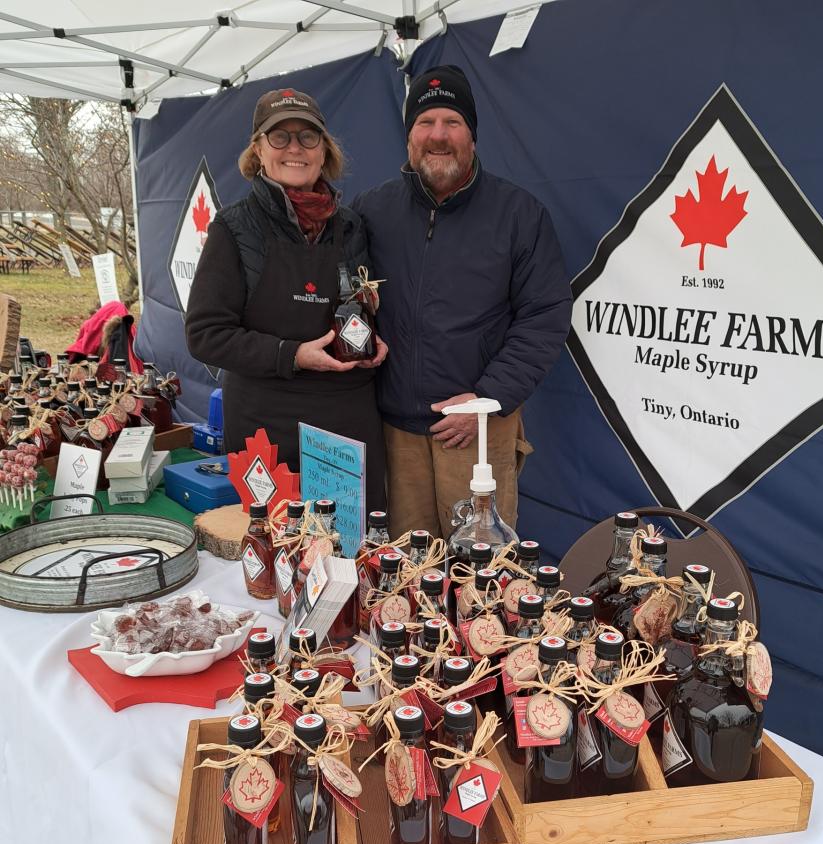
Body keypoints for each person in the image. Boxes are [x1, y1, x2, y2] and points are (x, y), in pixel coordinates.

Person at [353, 65, 571, 537]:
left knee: (479, 575)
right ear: (409, 136)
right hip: (398, 432)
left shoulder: (519, 215)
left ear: (471, 135)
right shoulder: (371, 210)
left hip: (479, 428)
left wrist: (487, 399)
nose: (438, 136)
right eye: (425, 123)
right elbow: (347, 297)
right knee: (410, 572)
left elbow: (544, 315)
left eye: (452, 122)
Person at [185, 88, 388, 509]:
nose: (294, 148)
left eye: (307, 137)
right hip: (267, 427)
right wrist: (291, 354)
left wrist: (374, 340)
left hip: (346, 425)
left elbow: (359, 306)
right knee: (275, 553)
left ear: (323, 150)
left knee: (351, 556)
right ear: (259, 151)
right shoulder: (234, 228)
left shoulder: (352, 227)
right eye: (279, 136)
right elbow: (205, 334)